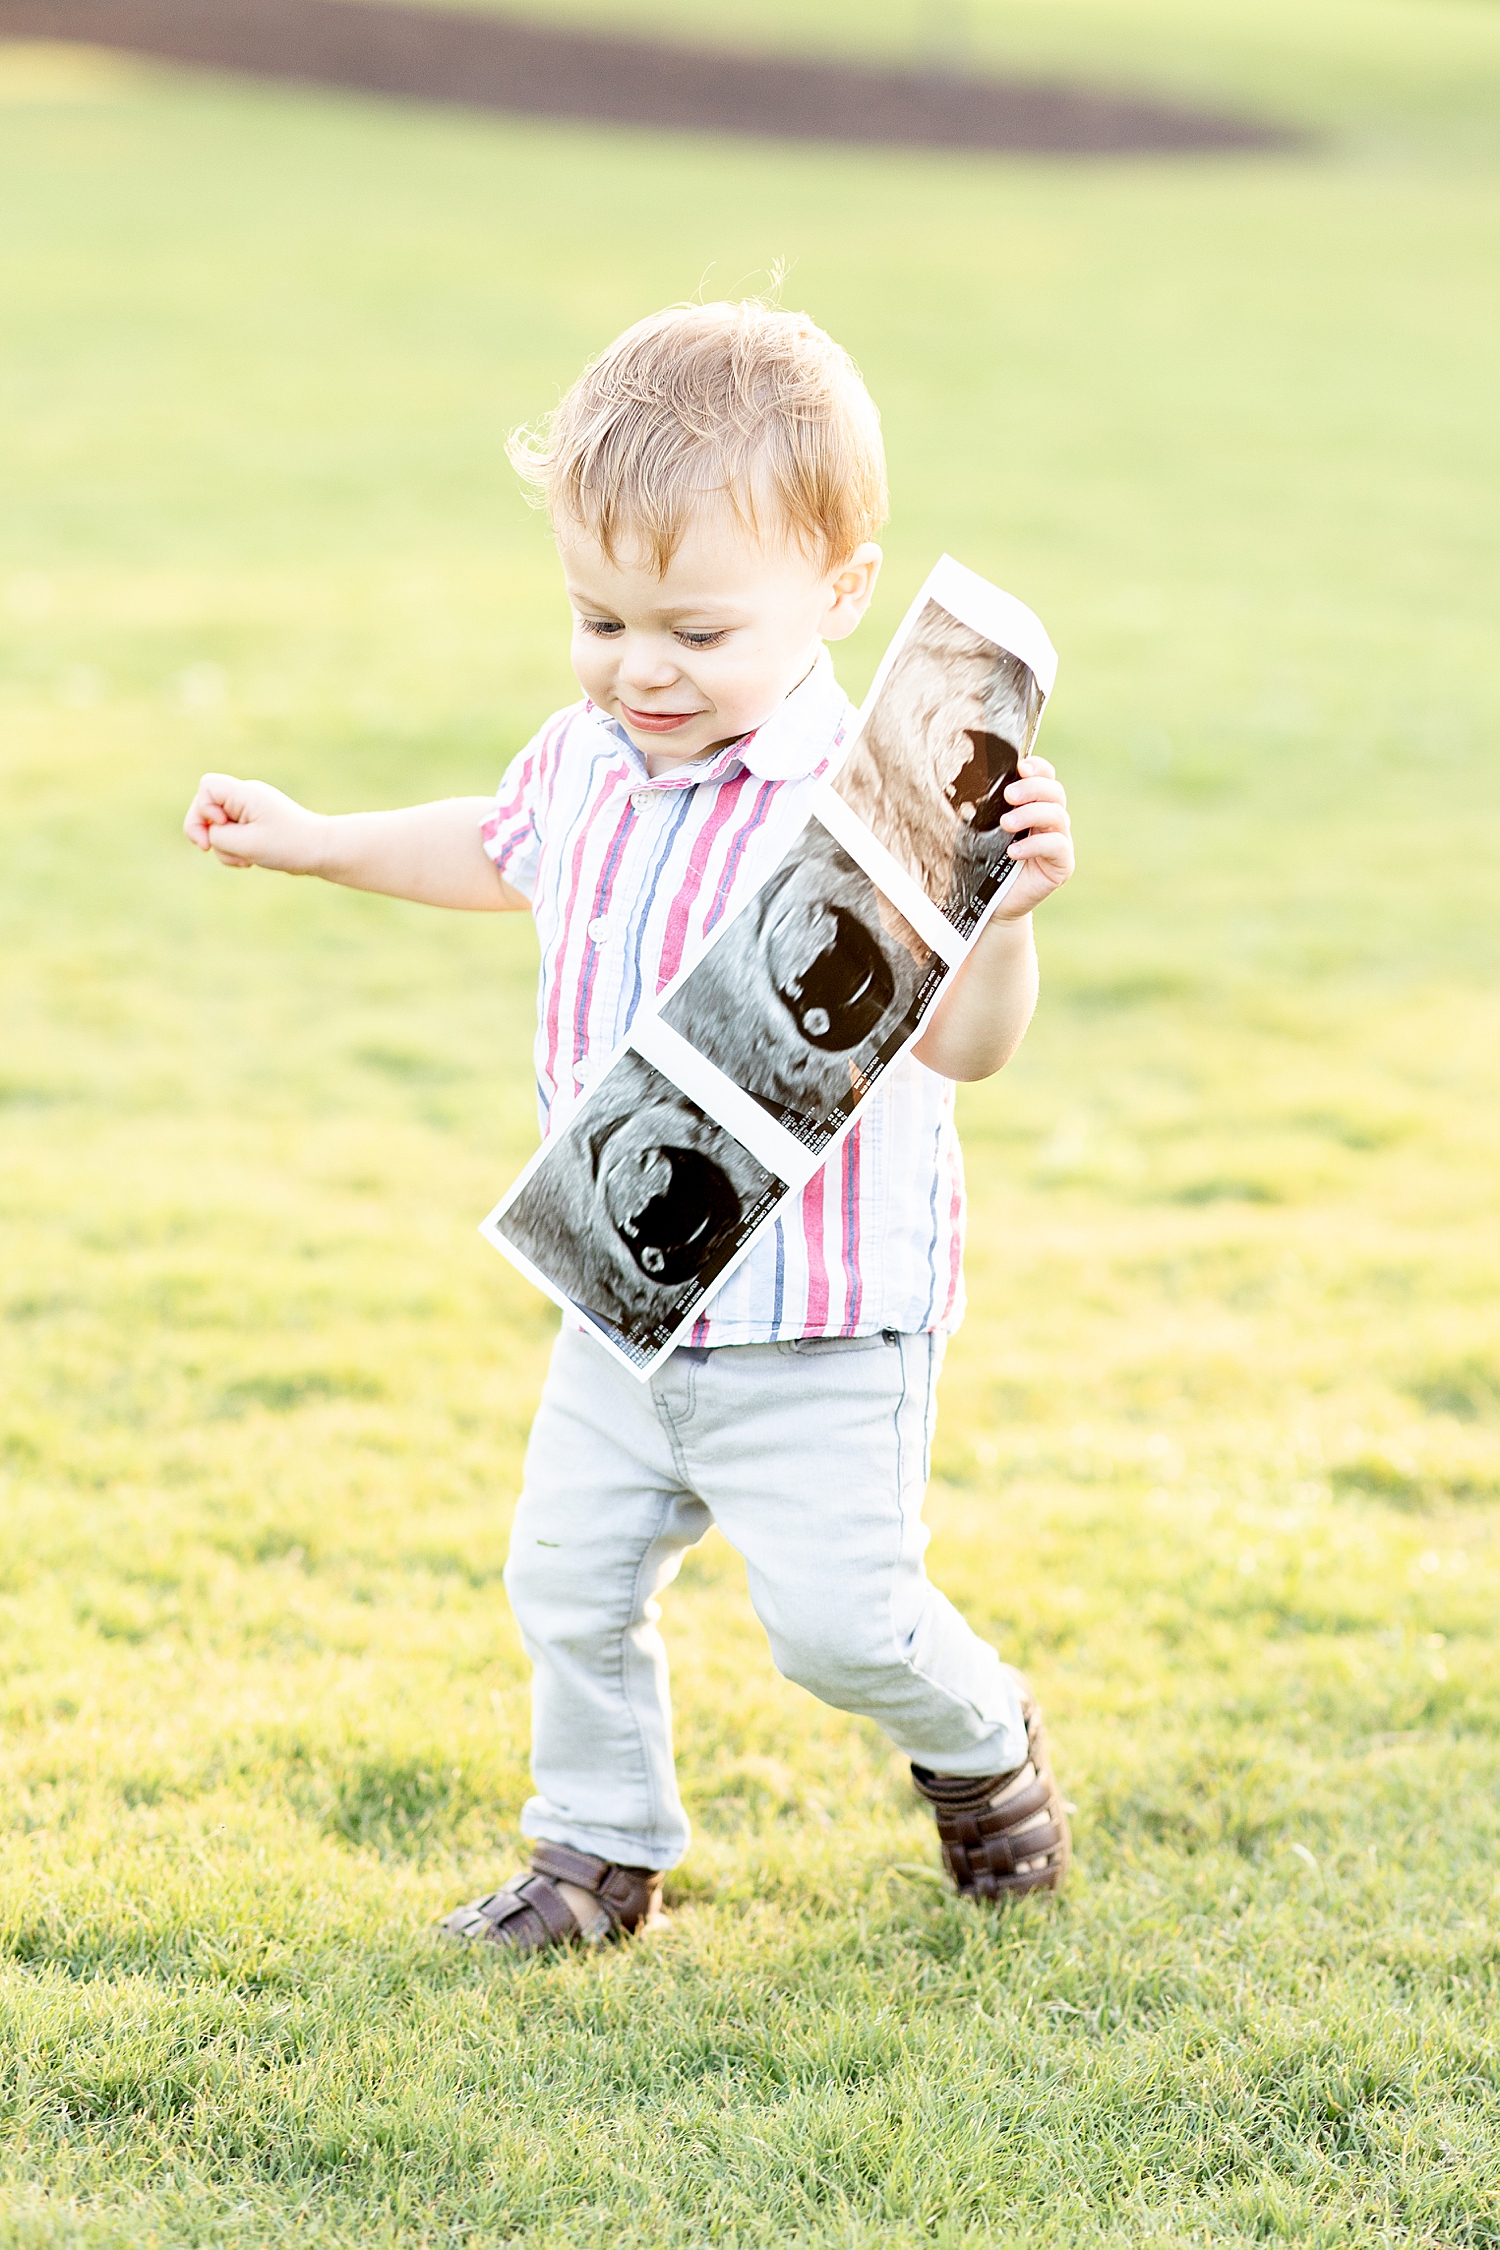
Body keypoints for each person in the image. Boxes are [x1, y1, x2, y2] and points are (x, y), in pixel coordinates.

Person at [183, 300, 1077, 1954]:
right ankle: (596, 1855)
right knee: (566, 1580)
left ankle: (982, 1742)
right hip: (627, 1297)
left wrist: (1001, 914)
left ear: (839, 591)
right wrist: (317, 841)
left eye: (694, 630)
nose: (640, 668)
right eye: (599, 618)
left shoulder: (877, 802)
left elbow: (968, 1044)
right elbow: (490, 840)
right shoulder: (589, 757)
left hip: (817, 1326)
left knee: (839, 1627)